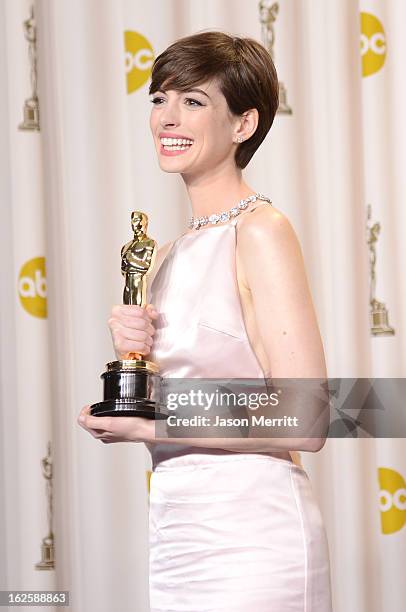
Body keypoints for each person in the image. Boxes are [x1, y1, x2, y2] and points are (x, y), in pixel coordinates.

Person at [78, 30, 333, 611]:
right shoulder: (165, 254)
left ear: (243, 125)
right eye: (159, 99)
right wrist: (132, 384)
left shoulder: (261, 230)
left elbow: (309, 415)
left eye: (192, 101)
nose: (168, 117)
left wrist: (151, 425)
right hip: (176, 538)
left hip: (252, 542)